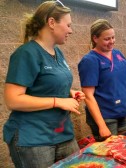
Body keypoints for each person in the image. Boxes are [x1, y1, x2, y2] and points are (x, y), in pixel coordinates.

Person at [3, 1, 85, 167]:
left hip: (63, 134)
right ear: (52, 22)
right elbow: (13, 100)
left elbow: (47, 84)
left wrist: (70, 93)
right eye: (68, 25)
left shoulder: (58, 53)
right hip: (34, 139)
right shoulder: (26, 53)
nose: (71, 30)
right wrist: (58, 101)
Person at [78, 19, 126, 142]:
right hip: (106, 117)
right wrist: (102, 125)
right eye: (107, 39)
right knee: (110, 155)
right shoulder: (90, 61)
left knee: (125, 148)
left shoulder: (118, 54)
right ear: (95, 38)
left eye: (113, 37)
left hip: (123, 113)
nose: (112, 42)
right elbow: (88, 96)